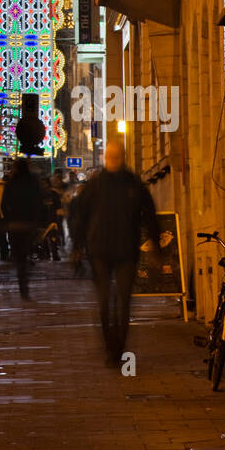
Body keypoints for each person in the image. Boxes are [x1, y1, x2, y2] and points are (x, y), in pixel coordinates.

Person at [72, 139, 159, 366]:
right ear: (104, 158)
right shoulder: (96, 184)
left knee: (122, 302)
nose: (112, 161)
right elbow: (80, 216)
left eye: (116, 157)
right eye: (109, 157)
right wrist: (77, 246)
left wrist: (155, 244)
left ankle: (118, 348)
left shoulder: (133, 184)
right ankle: (110, 345)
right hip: (99, 250)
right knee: (103, 301)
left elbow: (149, 213)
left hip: (126, 251)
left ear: (122, 157)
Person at [0, 158, 43, 299]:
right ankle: (24, 287)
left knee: (18, 257)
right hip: (28, 225)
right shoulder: (33, 183)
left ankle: (22, 284)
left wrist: (8, 219)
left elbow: (3, 204)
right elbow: (38, 203)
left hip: (14, 224)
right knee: (25, 255)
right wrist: (35, 220)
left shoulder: (11, 183)